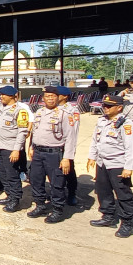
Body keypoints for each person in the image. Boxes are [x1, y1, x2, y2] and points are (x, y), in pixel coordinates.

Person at [86, 94, 133, 238]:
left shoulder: (126, 124)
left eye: (109, 106)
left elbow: (131, 147)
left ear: (119, 107)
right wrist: (92, 156)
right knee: (103, 190)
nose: (105, 108)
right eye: (104, 105)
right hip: (102, 162)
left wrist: (129, 167)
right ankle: (108, 216)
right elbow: (95, 141)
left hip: (118, 164)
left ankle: (127, 223)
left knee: (122, 193)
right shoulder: (102, 121)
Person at [26, 86, 77, 223]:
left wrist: (67, 158)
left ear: (58, 97)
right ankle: (40, 205)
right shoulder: (39, 112)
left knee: (57, 183)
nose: (50, 99)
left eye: (53, 96)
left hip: (54, 153)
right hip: (38, 152)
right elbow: (35, 132)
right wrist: (31, 146)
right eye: (47, 96)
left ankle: (57, 210)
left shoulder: (64, 114)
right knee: (36, 180)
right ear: (43, 98)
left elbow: (70, 137)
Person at [57, 86, 81, 206]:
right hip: (52, 145)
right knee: (55, 171)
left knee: (69, 170)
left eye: (57, 94)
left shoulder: (72, 110)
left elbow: (73, 131)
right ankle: (57, 193)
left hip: (66, 145)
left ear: (65, 96)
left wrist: (70, 149)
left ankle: (72, 193)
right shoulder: (52, 108)